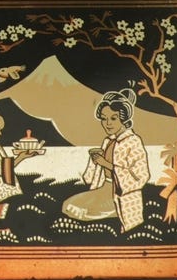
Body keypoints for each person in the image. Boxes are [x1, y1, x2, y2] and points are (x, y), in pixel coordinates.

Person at [62, 84, 150, 232]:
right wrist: (96, 160)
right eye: (104, 119)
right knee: (68, 206)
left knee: (81, 211)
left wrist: (106, 164)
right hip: (103, 190)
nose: (108, 123)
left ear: (123, 119)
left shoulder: (133, 141)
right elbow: (90, 178)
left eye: (113, 118)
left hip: (122, 196)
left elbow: (141, 176)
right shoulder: (108, 141)